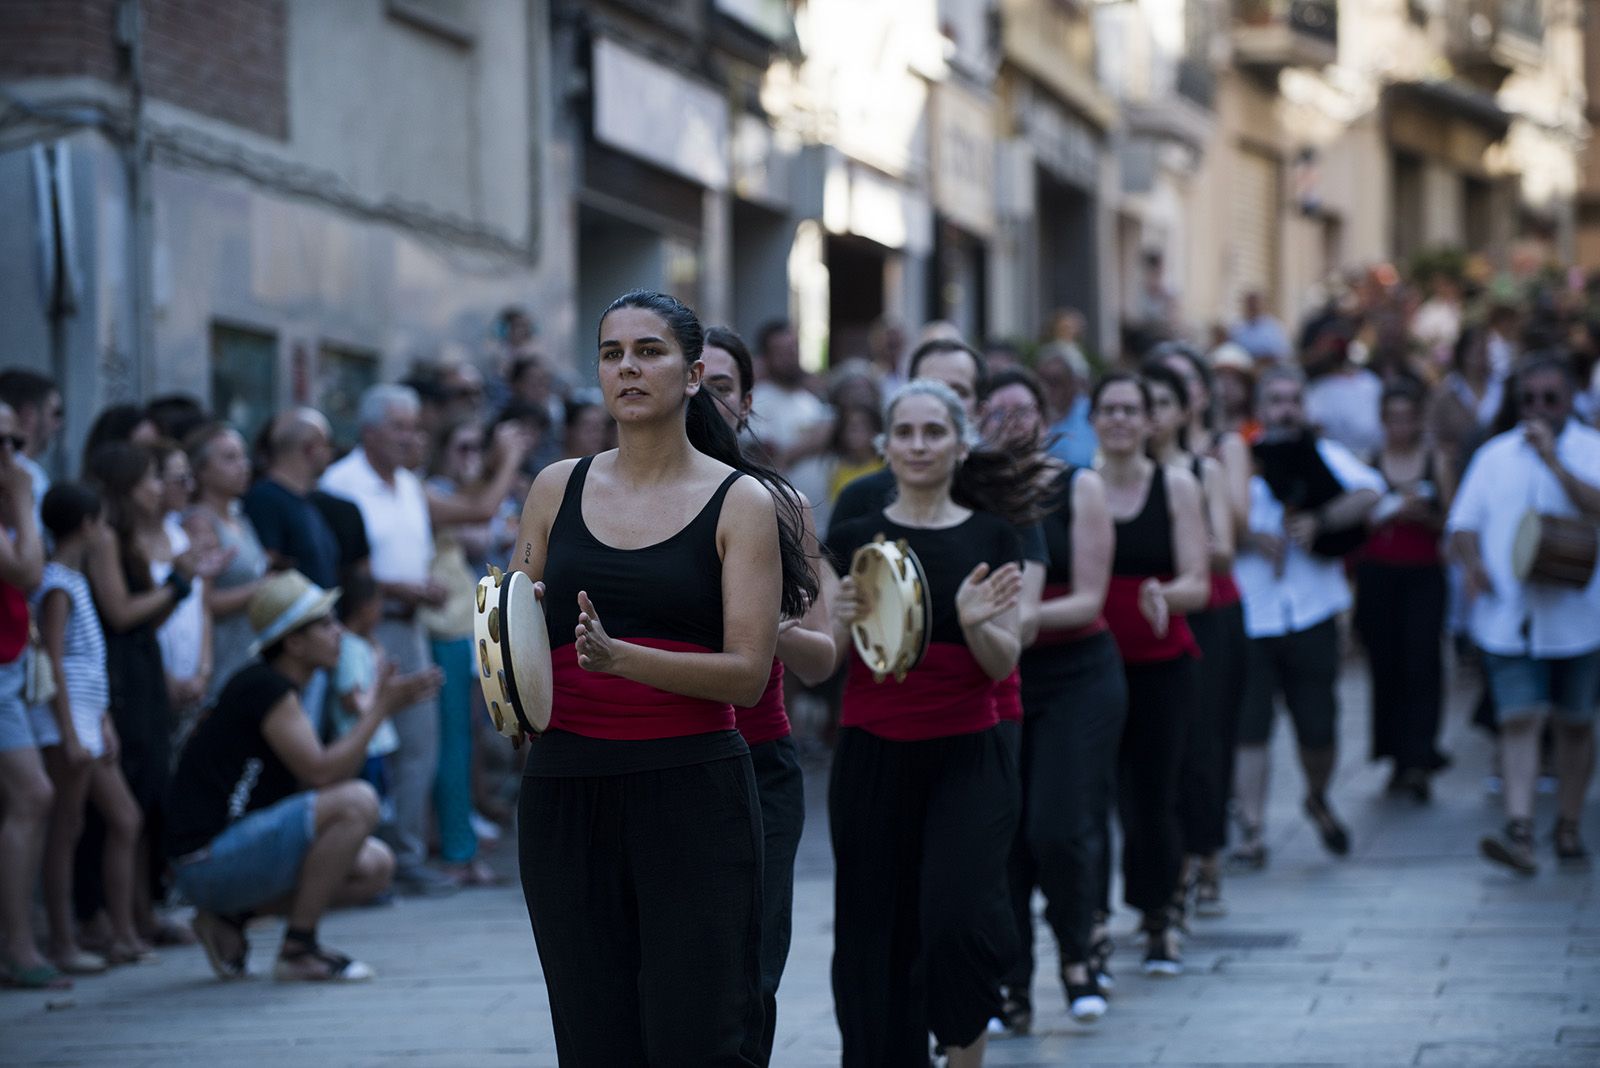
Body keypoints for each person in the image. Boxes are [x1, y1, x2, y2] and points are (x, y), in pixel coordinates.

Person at [509, 289, 814, 1065]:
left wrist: (622, 659)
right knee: (592, 1036)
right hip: (566, 788)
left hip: (693, 789)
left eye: (649, 352)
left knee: (699, 1035)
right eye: (612, 354)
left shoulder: (741, 501)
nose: (629, 368)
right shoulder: (555, 488)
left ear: (693, 373)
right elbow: (508, 637)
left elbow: (747, 676)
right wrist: (510, 671)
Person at [826, 378, 1047, 1068]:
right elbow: (821, 663)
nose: (919, 445)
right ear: (885, 447)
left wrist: (977, 623)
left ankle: (963, 1056)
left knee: (959, 921)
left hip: (968, 754)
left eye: (934, 432)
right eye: (905, 432)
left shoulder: (993, 535)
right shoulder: (852, 538)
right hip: (872, 753)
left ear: (960, 445)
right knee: (874, 933)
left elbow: (1003, 659)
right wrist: (822, 623)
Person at [166, 570, 439, 982]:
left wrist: (374, 710)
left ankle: (231, 917)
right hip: (204, 861)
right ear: (293, 643)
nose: (338, 632)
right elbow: (321, 773)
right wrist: (380, 710)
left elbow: (321, 779)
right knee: (358, 802)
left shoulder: (284, 686)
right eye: (325, 624)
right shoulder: (266, 687)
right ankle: (298, 948)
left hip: (227, 855)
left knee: (375, 866)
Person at [320, 384, 523, 896]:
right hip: (358, 629)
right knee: (360, 740)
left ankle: (405, 858)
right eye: (399, 427)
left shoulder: (409, 484)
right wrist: (397, 588)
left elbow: (477, 510)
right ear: (369, 431)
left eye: (415, 427)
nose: (411, 437)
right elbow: (335, 565)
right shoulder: (341, 483)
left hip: (410, 626)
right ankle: (359, 859)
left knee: (419, 744)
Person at [702, 323, 838, 1065]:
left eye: (721, 387)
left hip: (758, 763)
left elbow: (820, 656)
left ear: (749, 401)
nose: (703, 399)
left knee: (751, 968)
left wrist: (766, 628)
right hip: (655, 760)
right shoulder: (616, 495)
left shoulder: (783, 503)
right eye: (694, 382)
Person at [985, 370, 1124, 1029]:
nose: (1011, 424)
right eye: (997, 412)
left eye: (1023, 411)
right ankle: (1012, 982)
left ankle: (1079, 958)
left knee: (1058, 826)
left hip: (1077, 675)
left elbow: (1090, 600)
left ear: (1046, 420)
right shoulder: (973, 493)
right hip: (1002, 677)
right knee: (1006, 834)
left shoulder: (1077, 485)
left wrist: (1010, 619)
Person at [1449, 355, 1600, 874]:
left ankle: (1568, 825)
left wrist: (1555, 462)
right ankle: (1520, 832)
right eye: (1528, 399)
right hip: (1509, 617)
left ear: (1569, 400)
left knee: (1575, 725)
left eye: (1549, 398)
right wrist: (1474, 565)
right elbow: (1463, 524)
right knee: (1519, 719)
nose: (1538, 408)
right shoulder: (1493, 456)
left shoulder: (1592, 449)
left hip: (1580, 617)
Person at [1232, 367, 1382, 867]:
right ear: (1260, 409)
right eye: (1276, 400)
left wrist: (1321, 520)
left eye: (1294, 399)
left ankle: (1317, 795)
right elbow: (1210, 522)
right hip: (1253, 613)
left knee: (1319, 726)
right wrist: (1249, 538)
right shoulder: (1239, 461)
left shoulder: (1326, 454)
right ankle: (1252, 830)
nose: (1286, 409)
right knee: (1250, 727)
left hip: (1313, 609)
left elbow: (1371, 492)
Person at [1092, 372, 1210, 975]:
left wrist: (1166, 594)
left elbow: (1199, 580)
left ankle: (1159, 914)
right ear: (1093, 420)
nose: (1119, 419)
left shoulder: (1177, 484)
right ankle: (1089, 921)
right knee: (1090, 797)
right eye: (1108, 409)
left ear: (1149, 421)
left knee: (1154, 795)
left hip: (1162, 664)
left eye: (1129, 409)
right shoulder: (1078, 486)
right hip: (1089, 665)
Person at [82, 442, 220, 948]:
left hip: (142, 673)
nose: (159, 489)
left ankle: (140, 915)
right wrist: (178, 583)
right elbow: (121, 614)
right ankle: (112, 923)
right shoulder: (106, 537)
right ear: (126, 486)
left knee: (147, 801)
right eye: (150, 479)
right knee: (123, 811)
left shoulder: (138, 538)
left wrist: (182, 583)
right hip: (121, 680)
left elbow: (149, 619)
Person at [33, 483, 149, 973]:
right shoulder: (57, 584)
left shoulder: (73, 581)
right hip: (69, 720)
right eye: (100, 522)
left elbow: (87, 662)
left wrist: (101, 719)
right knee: (66, 827)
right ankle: (63, 940)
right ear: (86, 525)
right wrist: (69, 730)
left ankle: (123, 933)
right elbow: (55, 659)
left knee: (124, 818)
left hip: (87, 715)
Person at [1143, 358, 1243, 920]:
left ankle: (1203, 855)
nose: (1152, 415)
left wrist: (1179, 544)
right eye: (1145, 404)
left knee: (1203, 740)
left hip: (1207, 614)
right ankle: (1167, 862)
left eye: (1162, 404)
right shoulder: (1112, 476)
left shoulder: (1203, 470)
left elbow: (1224, 549)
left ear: (1184, 411)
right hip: (1142, 615)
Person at [421, 417, 530, 887]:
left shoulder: (452, 490)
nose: (470, 457)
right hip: (441, 626)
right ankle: (453, 849)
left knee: (464, 736)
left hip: (463, 625)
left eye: (476, 449)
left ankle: (458, 839)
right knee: (449, 741)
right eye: (461, 447)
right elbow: (484, 518)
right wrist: (508, 460)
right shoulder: (429, 490)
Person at [1355, 381, 1455, 802]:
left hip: (1423, 574)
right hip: (1378, 575)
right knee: (1386, 662)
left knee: (1422, 661)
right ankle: (1395, 754)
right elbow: (1355, 522)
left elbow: (1452, 521)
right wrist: (1383, 514)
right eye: (1392, 418)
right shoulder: (1368, 462)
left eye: (1407, 418)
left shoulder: (1436, 460)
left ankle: (1420, 755)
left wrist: (1422, 516)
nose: (1400, 426)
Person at [0, 402, 58, 988]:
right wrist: (21, 496)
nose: (11, 457)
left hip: (9, 665)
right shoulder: (13, 494)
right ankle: (18, 947)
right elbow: (28, 571)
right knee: (33, 793)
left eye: (15, 443)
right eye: (0, 444)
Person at [183, 423, 270, 703]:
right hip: (219, 655)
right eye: (230, 458)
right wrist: (261, 589)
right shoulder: (199, 523)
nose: (243, 466)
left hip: (247, 649)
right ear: (201, 471)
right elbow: (202, 601)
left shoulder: (239, 517)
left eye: (243, 456)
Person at [243, 408, 341, 590]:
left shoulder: (304, 500)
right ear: (310, 449)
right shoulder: (265, 499)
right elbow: (266, 569)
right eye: (327, 445)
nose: (330, 453)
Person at [748, 319, 832, 471]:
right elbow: (767, 456)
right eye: (782, 352)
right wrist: (814, 439)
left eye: (794, 348)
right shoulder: (757, 400)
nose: (791, 356)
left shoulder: (809, 398)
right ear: (766, 358)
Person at [0, 369, 62, 511]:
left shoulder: (31, 474)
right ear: (29, 415)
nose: (59, 424)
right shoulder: (30, 476)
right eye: (55, 413)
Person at [1036, 341, 1097, 468]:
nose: (1047, 388)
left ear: (1074, 382)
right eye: (1043, 379)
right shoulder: (1031, 416)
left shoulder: (1093, 414)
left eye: (1056, 380)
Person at [1229, 290, 1291, 364]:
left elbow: (1281, 353)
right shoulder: (1237, 328)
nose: (1253, 306)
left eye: (1255, 303)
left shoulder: (1273, 327)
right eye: (1250, 303)